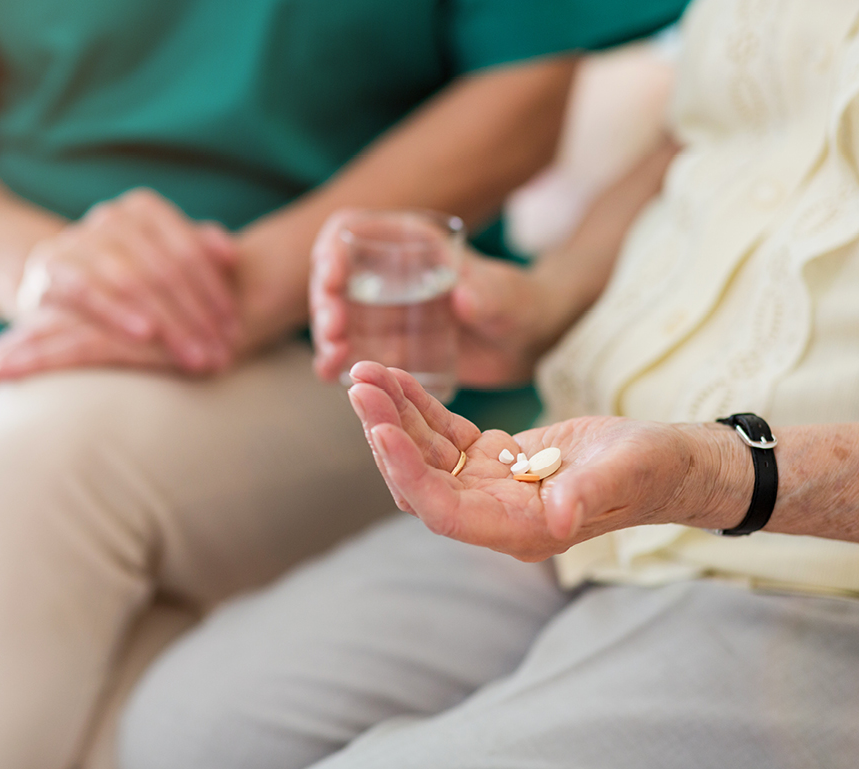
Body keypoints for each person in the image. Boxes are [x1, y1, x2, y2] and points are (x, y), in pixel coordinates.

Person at [0, 1, 691, 767]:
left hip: (366, 343)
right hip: (31, 321)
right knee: (91, 685)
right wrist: (51, 271)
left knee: (46, 458)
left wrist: (259, 281)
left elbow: (522, 82)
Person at [116, 1, 859, 767]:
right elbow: (706, 136)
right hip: (595, 494)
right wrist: (544, 299)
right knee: (184, 729)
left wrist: (712, 471)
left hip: (808, 561)